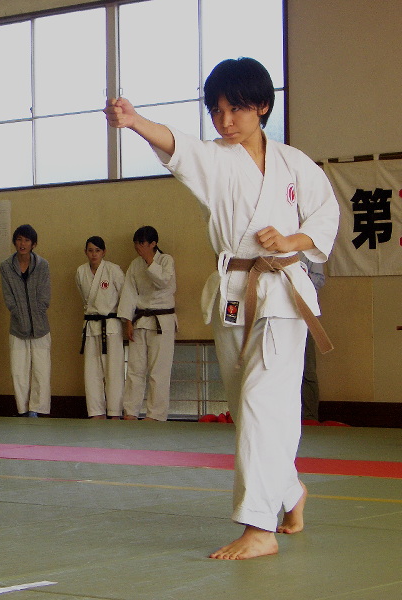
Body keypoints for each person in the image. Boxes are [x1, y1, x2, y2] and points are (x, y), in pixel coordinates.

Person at [105, 57, 339, 559]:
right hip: (233, 292)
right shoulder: (217, 159)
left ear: (262, 106)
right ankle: (291, 492)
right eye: (216, 110)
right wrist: (135, 121)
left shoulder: (296, 164)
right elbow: (179, 148)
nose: (225, 120)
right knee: (246, 406)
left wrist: (290, 237)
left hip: (282, 292)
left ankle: (259, 528)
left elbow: (326, 216)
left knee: (261, 401)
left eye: (235, 108)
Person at [117, 227, 177, 421]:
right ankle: (131, 411)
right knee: (135, 369)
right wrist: (128, 322)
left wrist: (150, 261)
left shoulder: (166, 260)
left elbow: (164, 282)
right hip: (140, 320)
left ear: (153, 244)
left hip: (162, 322)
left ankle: (156, 414)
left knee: (159, 371)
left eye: (142, 243)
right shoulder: (135, 265)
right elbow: (129, 294)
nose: (138, 248)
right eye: (136, 243)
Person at [0, 224, 51, 417]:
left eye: (27, 240)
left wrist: (35, 317)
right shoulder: (6, 266)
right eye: (19, 240)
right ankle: (22, 409)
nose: (22, 244)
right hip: (17, 327)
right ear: (15, 242)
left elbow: (45, 298)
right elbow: (8, 298)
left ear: (33, 244)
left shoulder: (43, 265)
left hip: (41, 327)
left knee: (41, 371)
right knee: (18, 372)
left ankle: (36, 409)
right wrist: (21, 317)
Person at [75, 236, 125, 419]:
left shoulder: (114, 270)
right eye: (90, 250)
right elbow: (84, 298)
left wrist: (127, 322)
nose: (94, 254)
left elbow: (124, 297)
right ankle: (96, 411)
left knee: (114, 370)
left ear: (104, 252)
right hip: (90, 325)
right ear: (86, 252)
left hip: (111, 325)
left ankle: (114, 411)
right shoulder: (81, 272)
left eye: (97, 250)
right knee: (92, 371)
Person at [300, 255, 325, 421]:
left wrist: (298, 275)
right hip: (272, 313)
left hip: (303, 313)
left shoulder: (308, 246)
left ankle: (309, 418)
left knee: (307, 369)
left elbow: (319, 280)